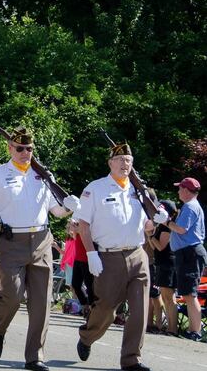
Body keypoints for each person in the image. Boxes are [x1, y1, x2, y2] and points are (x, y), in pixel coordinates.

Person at [0, 127, 78, 371]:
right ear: (10, 148)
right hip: (11, 242)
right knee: (11, 294)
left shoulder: (43, 177)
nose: (25, 153)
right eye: (20, 148)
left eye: (29, 149)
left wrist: (70, 207)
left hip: (42, 240)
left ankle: (35, 356)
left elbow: (56, 210)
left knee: (41, 302)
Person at [73, 143, 163, 371]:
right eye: (121, 160)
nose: (126, 164)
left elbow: (146, 226)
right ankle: (87, 336)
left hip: (137, 254)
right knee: (106, 310)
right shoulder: (96, 188)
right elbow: (83, 225)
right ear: (110, 163)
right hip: (108, 257)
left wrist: (156, 222)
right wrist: (91, 253)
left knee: (140, 310)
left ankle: (131, 359)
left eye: (129, 161)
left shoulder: (139, 191)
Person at [163, 177, 205, 341]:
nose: (178, 191)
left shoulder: (189, 206)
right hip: (189, 252)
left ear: (187, 190)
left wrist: (166, 222)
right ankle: (194, 330)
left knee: (189, 294)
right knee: (188, 293)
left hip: (190, 252)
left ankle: (195, 331)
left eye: (180, 188)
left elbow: (181, 229)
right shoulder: (191, 206)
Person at [146, 199, 178, 335]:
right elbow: (154, 247)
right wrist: (150, 236)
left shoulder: (166, 227)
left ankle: (172, 328)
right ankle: (169, 327)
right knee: (165, 297)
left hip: (168, 263)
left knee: (169, 298)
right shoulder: (160, 225)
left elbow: (160, 246)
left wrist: (151, 235)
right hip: (161, 263)